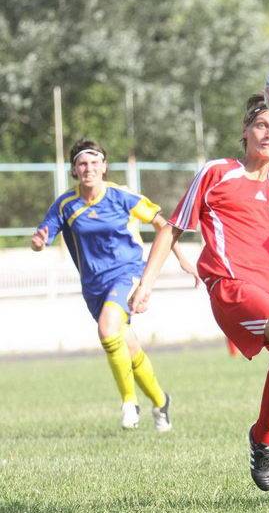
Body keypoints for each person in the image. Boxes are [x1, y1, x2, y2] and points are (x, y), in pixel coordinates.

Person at [130, 94, 269, 509]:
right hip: (232, 288)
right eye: (262, 125)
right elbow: (172, 228)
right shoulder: (217, 172)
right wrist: (146, 285)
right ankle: (263, 435)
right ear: (246, 131)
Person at [31, 138, 201, 431]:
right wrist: (37, 243)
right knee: (128, 348)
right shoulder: (66, 205)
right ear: (74, 169)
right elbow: (42, 236)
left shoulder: (122, 196)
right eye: (82, 164)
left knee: (107, 329)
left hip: (128, 273)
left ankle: (129, 403)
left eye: (94, 162)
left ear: (104, 166)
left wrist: (183, 259)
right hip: (94, 286)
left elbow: (164, 226)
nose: (89, 168)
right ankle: (161, 402)